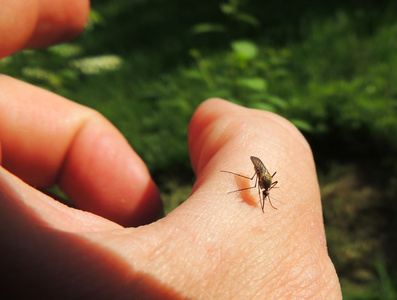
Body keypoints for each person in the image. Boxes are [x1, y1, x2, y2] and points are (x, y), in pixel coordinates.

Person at [0, 1, 342, 298]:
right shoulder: (258, 178)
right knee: (248, 180)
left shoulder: (264, 184)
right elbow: (258, 174)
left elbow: (264, 182)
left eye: (266, 188)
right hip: (253, 166)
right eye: (265, 186)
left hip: (256, 167)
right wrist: (255, 180)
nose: (264, 188)